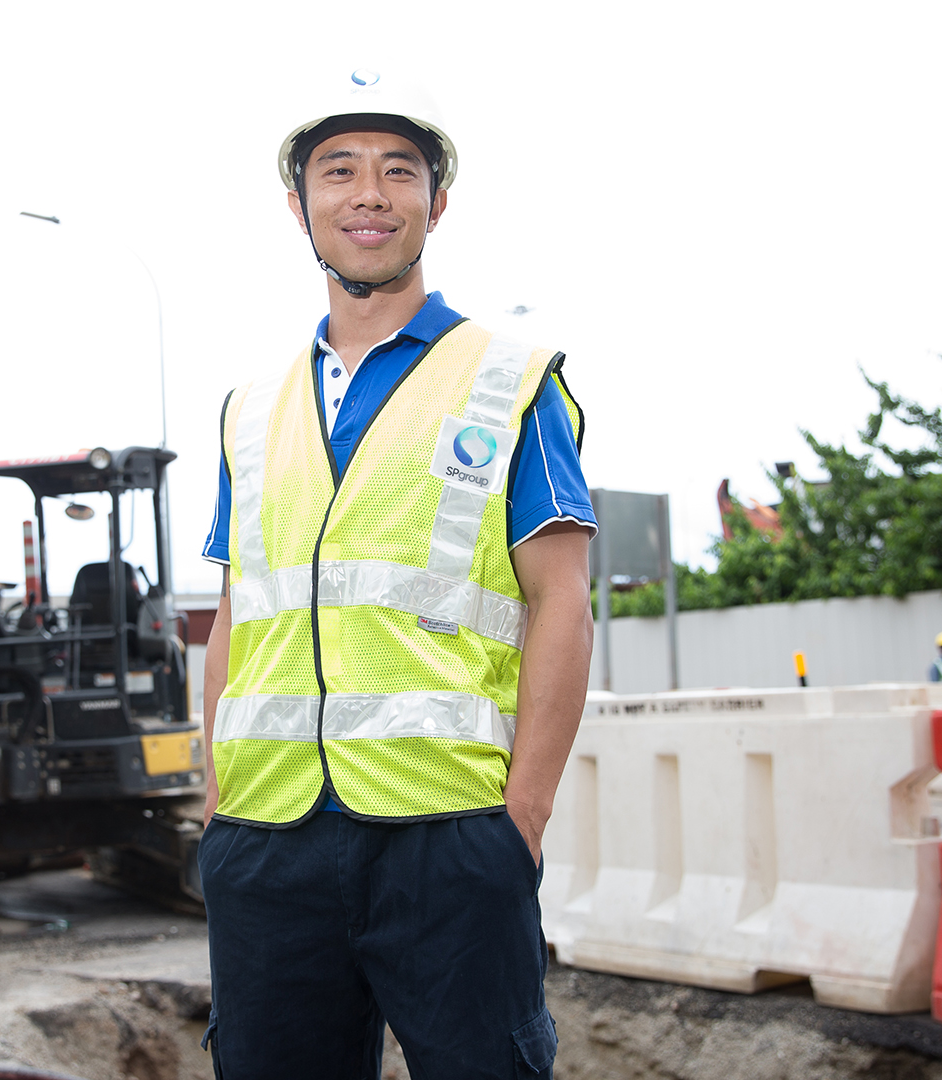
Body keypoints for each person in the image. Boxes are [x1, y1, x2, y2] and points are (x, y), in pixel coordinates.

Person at [197, 68, 595, 1079]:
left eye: (398, 170)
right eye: (338, 170)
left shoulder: (510, 382)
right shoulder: (250, 409)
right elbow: (238, 612)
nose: (368, 194)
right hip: (267, 836)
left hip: (449, 835)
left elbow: (561, 601)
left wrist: (523, 817)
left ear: (437, 201)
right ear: (299, 205)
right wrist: (215, 802)